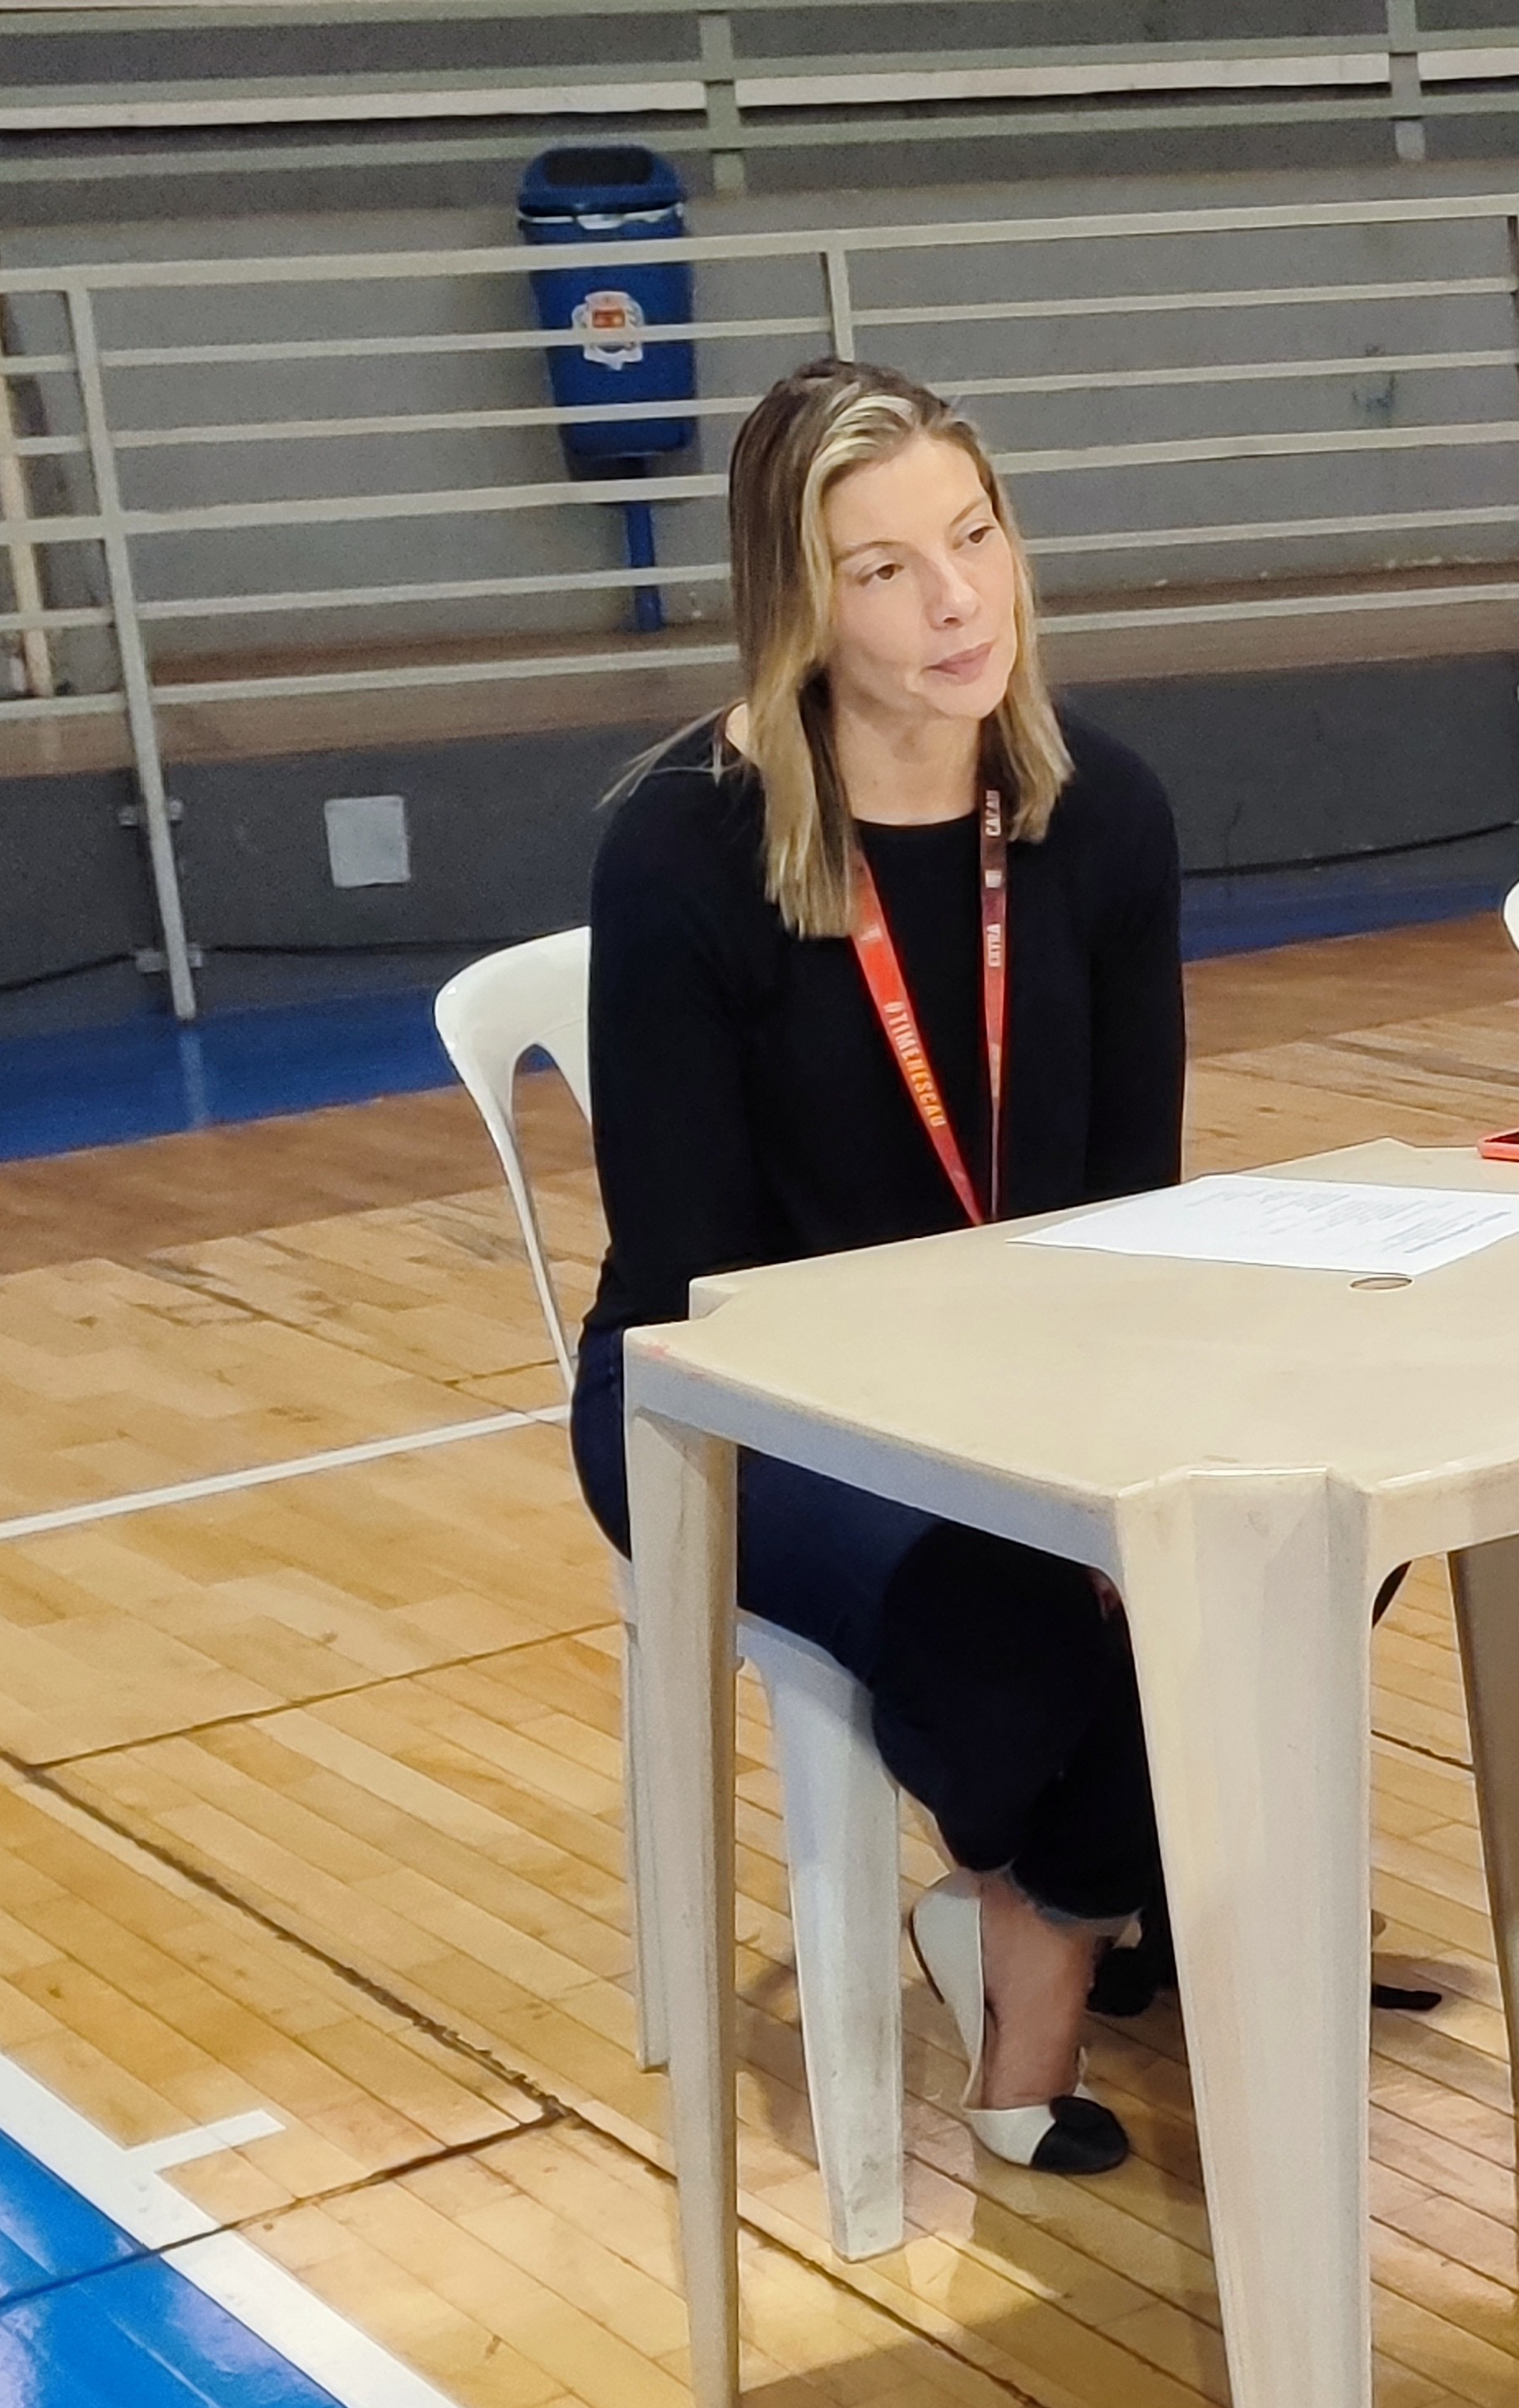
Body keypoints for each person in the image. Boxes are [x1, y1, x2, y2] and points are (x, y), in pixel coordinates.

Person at [571, 358, 1183, 2177]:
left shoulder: (1102, 812)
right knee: (1013, 1620)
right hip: (735, 1399)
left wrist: (1095, 1433)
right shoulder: (683, 850)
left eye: (974, 538)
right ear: (798, 604)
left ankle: (1031, 1902)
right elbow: (694, 1277)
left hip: (1027, 1362)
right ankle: (1049, 1988)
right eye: (884, 569)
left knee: (1303, 1530)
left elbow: (1128, 1205)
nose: (958, 601)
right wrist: (1007, 1469)